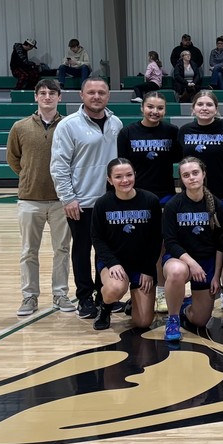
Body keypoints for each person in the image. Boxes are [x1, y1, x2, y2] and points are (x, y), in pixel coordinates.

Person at [50, 77, 122, 320]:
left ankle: (106, 297)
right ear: (82, 96)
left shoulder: (116, 123)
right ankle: (84, 297)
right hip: (80, 202)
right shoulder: (68, 125)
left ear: (108, 96)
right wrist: (68, 198)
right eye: (91, 92)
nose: (96, 96)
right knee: (82, 250)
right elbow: (59, 166)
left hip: (109, 201)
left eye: (101, 92)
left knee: (107, 251)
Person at [7, 79, 72, 316]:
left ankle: (60, 294)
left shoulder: (69, 125)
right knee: (28, 251)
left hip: (61, 200)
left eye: (52, 93)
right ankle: (29, 297)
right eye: (42, 93)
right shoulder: (20, 127)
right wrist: (29, 176)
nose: (47, 97)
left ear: (59, 97)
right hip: (29, 199)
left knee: (62, 250)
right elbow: (14, 159)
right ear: (36, 97)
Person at [117, 91, 182, 313]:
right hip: (137, 197)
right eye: (150, 107)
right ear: (142, 108)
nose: (155, 112)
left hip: (164, 195)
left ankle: (162, 291)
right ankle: (136, 290)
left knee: (161, 244)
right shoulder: (127, 133)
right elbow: (122, 167)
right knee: (137, 244)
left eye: (160, 108)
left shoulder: (172, 132)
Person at [90, 158, 162, 331]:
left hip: (141, 264)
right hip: (115, 262)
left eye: (129, 175)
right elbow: (97, 238)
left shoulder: (150, 201)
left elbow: (156, 238)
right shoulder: (102, 204)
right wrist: (112, 263)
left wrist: (147, 269)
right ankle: (105, 307)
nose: (125, 180)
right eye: (118, 177)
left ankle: (133, 301)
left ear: (135, 175)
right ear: (109, 180)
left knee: (143, 322)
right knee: (116, 288)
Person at [160, 157, 223, 341]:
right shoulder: (173, 205)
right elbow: (171, 242)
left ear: (203, 174)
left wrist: (216, 276)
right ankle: (173, 319)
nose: (192, 178)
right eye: (186, 175)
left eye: (195, 173)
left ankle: (185, 306)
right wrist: (192, 264)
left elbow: (220, 244)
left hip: (206, 263)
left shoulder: (216, 205)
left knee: (200, 321)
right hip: (180, 259)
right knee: (177, 272)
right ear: (181, 179)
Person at [177, 91, 223, 219]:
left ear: (216, 109)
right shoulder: (184, 130)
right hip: (194, 195)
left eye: (209, 104)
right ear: (193, 108)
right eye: (200, 104)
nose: (204, 108)